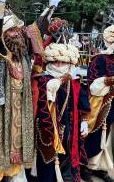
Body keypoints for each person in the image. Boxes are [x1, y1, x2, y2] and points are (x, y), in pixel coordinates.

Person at [0, 0, 61, 182]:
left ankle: (13, 174)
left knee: (15, 146)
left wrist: (50, 9)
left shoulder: (22, 51)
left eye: (18, 30)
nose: (17, 34)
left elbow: (36, 29)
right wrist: (0, 6)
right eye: (12, 30)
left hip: (19, 106)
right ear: (3, 34)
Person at [34, 42, 90, 182]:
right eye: (56, 62)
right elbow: (47, 93)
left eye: (63, 62)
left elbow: (82, 101)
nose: (59, 65)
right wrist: (61, 79)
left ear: (70, 64)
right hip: (49, 129)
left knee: (68, 156)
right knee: (48, 159)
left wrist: (84, 121)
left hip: (71, 127)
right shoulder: (43, 80)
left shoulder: (74, 81)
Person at [81, 25, 114, 182]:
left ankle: (103, 167)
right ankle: (87, 165)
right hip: (102, 102)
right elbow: (93, 84)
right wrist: (109, 80)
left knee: (109, 138)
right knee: (97, 133)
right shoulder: (100, 59)